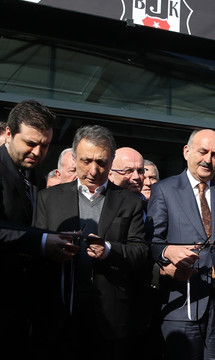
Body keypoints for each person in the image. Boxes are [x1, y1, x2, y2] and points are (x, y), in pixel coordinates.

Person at [0, 99, 78, 359]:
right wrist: (42, 241)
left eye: (45, 145)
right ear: (8, 134)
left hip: (22, 300)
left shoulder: (33, 174)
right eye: (30, 143)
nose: (37, 152)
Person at [34, 125, 149, 360]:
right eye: (86, 161)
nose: (94, 170)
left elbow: (140, 252)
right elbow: (35, 245)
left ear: (112, 160)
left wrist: (108, 250)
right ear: (74, 157)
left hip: (110, 315)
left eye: (102, 162)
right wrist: (51, 247)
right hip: (60, 310)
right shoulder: (48, 198)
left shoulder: (130, 202)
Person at [147, 128, 215, 360]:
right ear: (187, 151)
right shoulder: (163, 190)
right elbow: (152, 241)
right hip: (182, 299)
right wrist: (167, 252)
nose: (208, 159)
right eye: (203, 151)